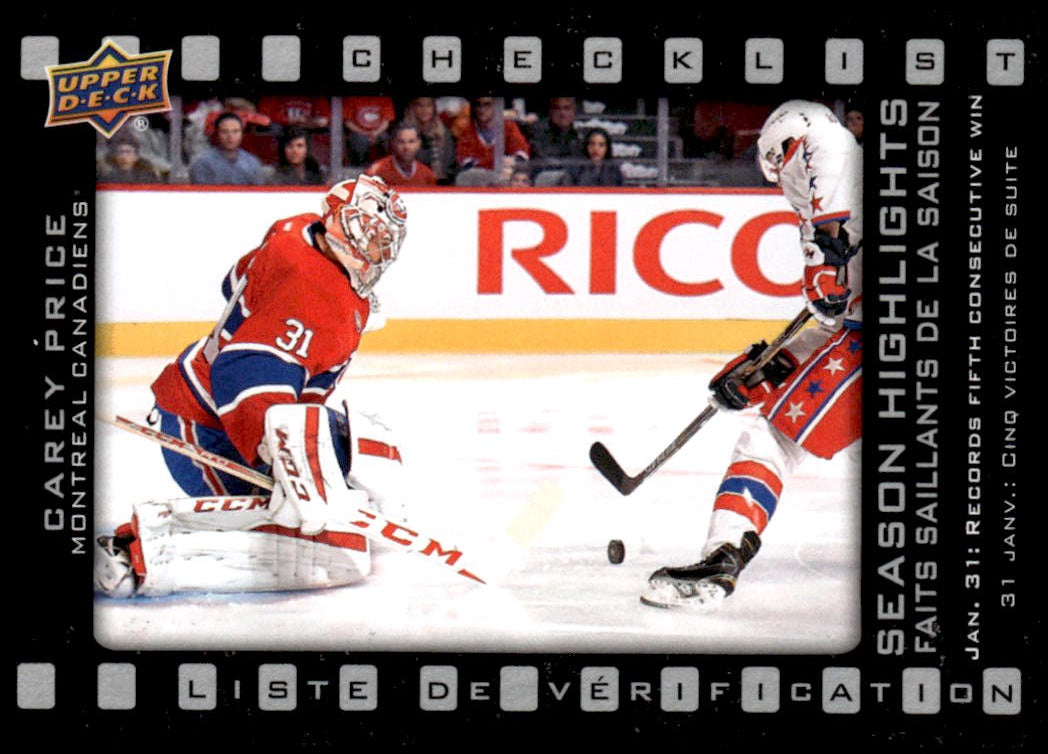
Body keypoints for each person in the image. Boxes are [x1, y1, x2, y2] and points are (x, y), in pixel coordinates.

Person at [94, 176, 412, 597]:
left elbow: (234, 281)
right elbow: (242, 373)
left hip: (216, 399)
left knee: (361, 443)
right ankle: (139, 554)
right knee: (328, 552)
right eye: (368, 234)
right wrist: (279, 459)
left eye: (382, 239)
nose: (377, 250)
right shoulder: (315, 295)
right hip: (207, 429)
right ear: (339, 224)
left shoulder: (297, 229)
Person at [642, 100, 863, 609]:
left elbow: (828, 145)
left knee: (772, 439)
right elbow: (834, 326)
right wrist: (761, 371)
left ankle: (721, 559)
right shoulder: (843, 215)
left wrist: (825, 257)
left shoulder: (831, 149)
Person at [455, 96, 531, 172]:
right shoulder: (467, 131)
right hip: (480, 177)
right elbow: (465, 162)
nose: (482, 109)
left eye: (487, 104)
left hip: (505, 175)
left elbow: (522, 153)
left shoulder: (508, 126)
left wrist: (513, 161)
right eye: (478, 105)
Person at [189, 111, 266, 185]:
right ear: (217, 134)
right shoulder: (203, 164)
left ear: (242, 134)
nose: (230, 136)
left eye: (235, 131)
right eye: (225, 131)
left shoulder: (252, 163)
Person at [403, 96, 457, 184]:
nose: (425, 110)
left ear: (434, 108)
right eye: (420, 106)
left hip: (442, 182)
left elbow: (450, 162)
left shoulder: (444, 132)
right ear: (413, 108)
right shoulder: (404, 132)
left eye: (428, 106)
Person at [365, 122, 437, 186]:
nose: (406, 147)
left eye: (411, 141)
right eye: (401, 142)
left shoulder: (427, 175)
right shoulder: (376, 171)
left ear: (419, 144)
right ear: (393, 143)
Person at [528, 97, 585, 169]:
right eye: (557, 108)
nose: (562, 113)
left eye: (567, 108)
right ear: (550, 111)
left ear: (573, 111)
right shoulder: (537, 134)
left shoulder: (581, 136)